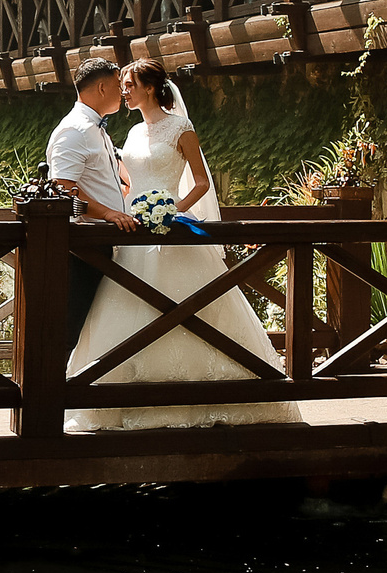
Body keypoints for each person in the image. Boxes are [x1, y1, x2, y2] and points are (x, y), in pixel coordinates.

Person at [65, 60, 302, 431]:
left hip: (171, 230)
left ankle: (207, 393)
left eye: (129, 84)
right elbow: (128, 181)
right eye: (122, 84)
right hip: (134, 234)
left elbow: (202, 183)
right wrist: (123, 209)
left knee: (188, 307)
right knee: (131, 306)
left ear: (150, 88)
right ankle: (117, 398)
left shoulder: (181, 128)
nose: (124, 90)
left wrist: (171, 209)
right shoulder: (132, 133)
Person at [45, 58, 138, 362]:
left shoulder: (95, 129)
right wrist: (108, 213)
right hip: (84, 245)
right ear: (101, 87)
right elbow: (62, 188)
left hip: (105, 242)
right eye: (117, 85)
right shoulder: (74, 130)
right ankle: (55, 387)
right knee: (71, 326)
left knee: (94, 327)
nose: (123, 92)